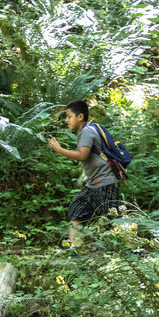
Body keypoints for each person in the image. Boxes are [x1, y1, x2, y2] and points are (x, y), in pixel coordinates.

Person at [48, 100, 121, 245]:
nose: (66, 120)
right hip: (93, 184)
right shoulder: (88, 130)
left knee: (112, 219)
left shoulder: (86, 132)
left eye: (69, 116)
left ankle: (134, 249)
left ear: (80, 116)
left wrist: (59, 149)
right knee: (76, 209)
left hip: (104, 182)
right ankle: (74, 248)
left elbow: (82, 155)